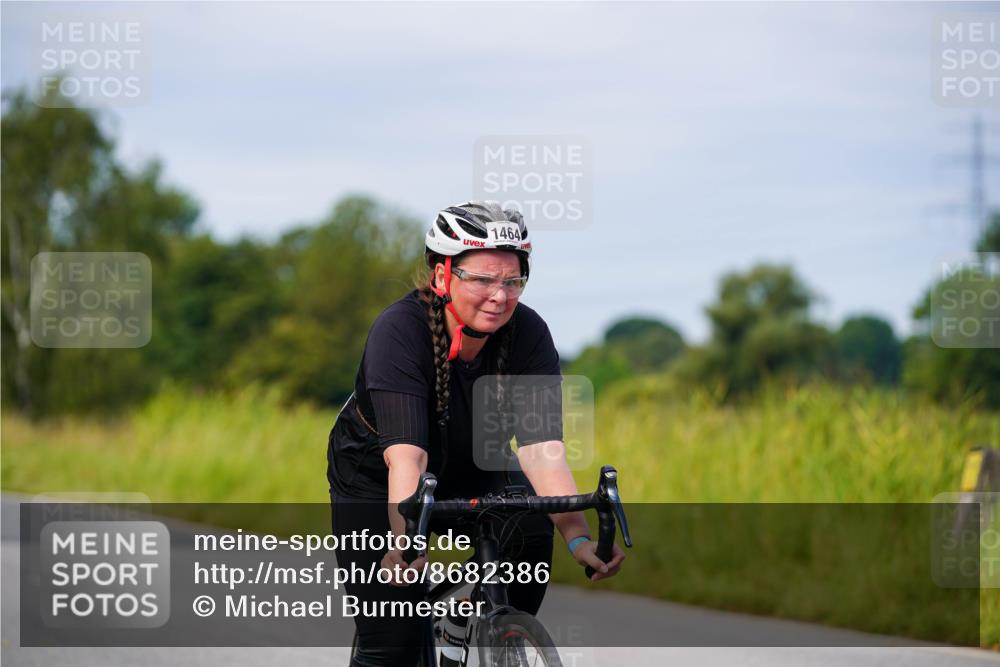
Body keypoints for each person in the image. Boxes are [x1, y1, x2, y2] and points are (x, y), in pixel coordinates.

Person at [326, 200, 625, 666]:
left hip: (473, 465)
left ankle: (479, 623)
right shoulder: (400, 331)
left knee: (529, 523)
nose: (499, 296)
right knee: (393, 641)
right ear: (442, 276)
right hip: (377, 478)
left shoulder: (528, 334)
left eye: (512, 281)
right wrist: (406, 544)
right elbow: (408, 458)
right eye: (482, 279)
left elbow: (542, 451)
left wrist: (578, 540)